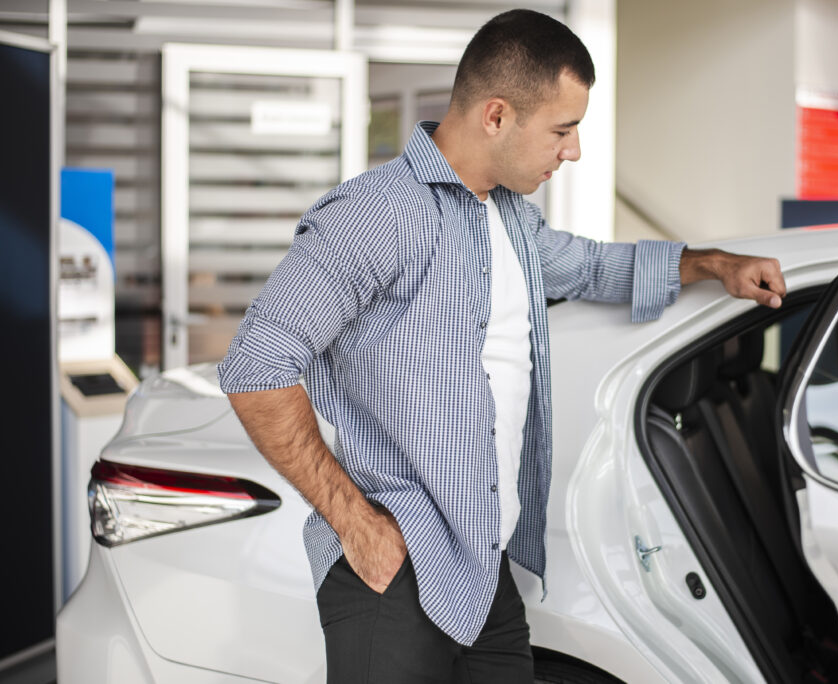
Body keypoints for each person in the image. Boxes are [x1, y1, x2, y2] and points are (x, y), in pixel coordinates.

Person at [218, 8, 785, 684]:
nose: (571, 151)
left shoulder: (510, 218)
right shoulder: (377, 214)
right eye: (562, 130)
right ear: (496, 117)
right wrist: (355, 524)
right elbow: (255, 366)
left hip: (482, 571)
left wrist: (713, 263)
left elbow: (597, 268)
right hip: (394, 571)